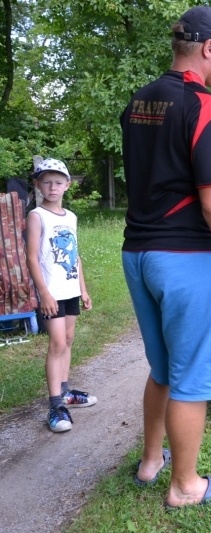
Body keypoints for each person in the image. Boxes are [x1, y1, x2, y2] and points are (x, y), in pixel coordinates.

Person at [120, 6, 211, 509]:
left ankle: (150, 460)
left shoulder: (140, 101)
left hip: (139, 255)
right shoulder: (207, 106)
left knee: (162, 368)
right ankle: (186, 485)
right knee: (192, 375)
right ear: (209, 47)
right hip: (186, 257)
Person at [25, 158, 94, 433]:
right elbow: (31, 258)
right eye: (46, 182)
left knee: (67, 339)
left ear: (67, 185)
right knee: (56, 343)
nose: (52, 187)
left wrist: (83, 289)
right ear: (37, 185)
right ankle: (55, 407)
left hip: (70, 290)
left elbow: (75, 256)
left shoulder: (71, 217)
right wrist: (44, 293)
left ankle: (65, 393)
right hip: (51, 292)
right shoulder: (36, 216)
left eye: (58, 182)